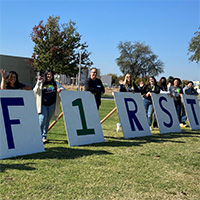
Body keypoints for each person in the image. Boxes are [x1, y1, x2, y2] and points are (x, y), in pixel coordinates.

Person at [33, 69, 65, 143]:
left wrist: (60, 89)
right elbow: (35, 92)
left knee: (47, 121)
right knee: (42, 120)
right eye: (47, 74)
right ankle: (38, 136)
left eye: (50, 74)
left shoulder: (55, 83)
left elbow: (63, 89)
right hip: (42, 105)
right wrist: (38, 82)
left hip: (52, 105)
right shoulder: (41, 83)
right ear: (45, 75)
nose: (49, 76)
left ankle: (44, 136)